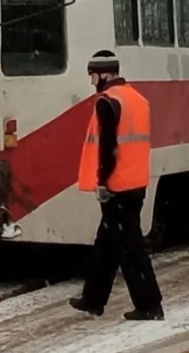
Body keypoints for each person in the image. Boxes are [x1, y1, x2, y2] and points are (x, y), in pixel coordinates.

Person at [69, 50, 164, 321]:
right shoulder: (137, 99)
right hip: (136, 183)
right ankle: (93, 299)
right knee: (108, 242)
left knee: (131, 249)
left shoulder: (108, 103)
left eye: (93, 76)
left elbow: (108, 148)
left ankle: (150, 305)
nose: (92, 82)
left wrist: (102, 182)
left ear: (105, 74)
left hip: (116, 186)